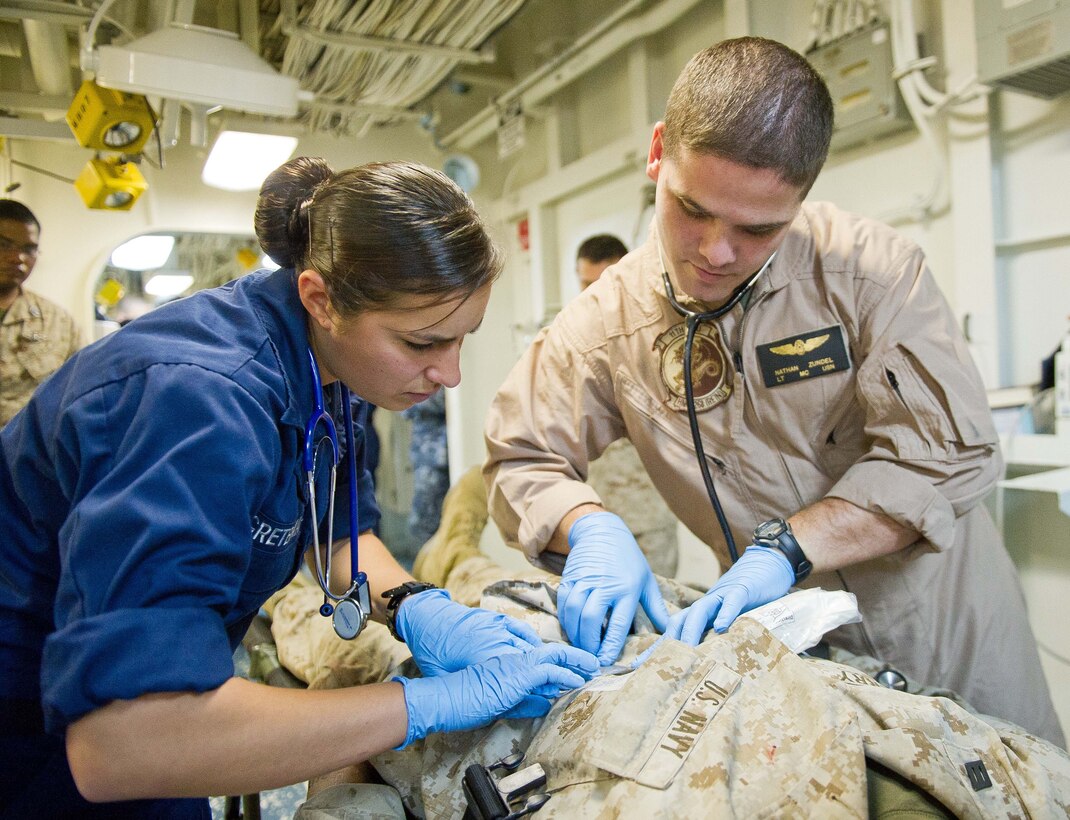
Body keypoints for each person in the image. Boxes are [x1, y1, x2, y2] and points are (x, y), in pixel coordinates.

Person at [483, 37, 1064, 746]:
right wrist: (589, 526)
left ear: (802, 198)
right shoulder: (607, 324)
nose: (716, 252)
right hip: (785, 655)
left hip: (944, 626)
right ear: (658, 152)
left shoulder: (871, 276)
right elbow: (521, 454)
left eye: (759, 230)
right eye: (691, 210)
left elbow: (952, 456)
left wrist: (787, 549)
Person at [0, 157, 596, 819]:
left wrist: (419, 607)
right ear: (320, 298)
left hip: (156, 696)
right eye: (422, 342)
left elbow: (337, 522)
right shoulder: (196, 404)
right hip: (39, 725)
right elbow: (123, 742)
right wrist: (422, 706)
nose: (449, 374)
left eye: (463, 340)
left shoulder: (333, 370)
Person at [575, 234, 680, 577]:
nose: (592, 294)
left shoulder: (658, 336)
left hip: (646, 516)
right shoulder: (571, 342)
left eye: (601, 282)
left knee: (657, 618)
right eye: (584, 283)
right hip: (592, 519)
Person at [0, 199, 83, 426]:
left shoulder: (58, 323)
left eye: (28, 249)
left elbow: (80, 394)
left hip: (26, 455)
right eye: (4, 245)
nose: (17, 258)